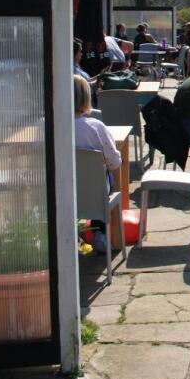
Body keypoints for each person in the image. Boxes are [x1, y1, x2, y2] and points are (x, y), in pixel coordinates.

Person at [73, 74, 122, 253]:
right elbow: (115, 163)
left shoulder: (49, 127)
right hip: (94, 195)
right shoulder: (96, 128)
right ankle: (102, 234)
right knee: (103, 179)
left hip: (61, 194)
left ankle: (78, 237)